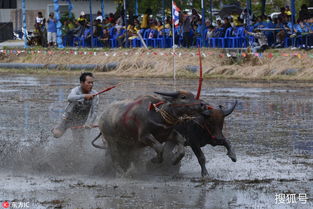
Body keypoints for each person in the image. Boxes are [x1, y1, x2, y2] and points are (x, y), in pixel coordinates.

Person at [52, 72, 99, 142]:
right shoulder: (75, 90)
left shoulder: (95, 94)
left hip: (81, 121)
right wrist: (84, 96)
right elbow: (69, 98)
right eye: (88, 83)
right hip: (67, 118)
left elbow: (94, 112)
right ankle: (54, 130)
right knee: (56, 135)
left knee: (79, 143)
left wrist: (89, 123)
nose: (91, 85)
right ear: (82, 83)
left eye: (92, 83)